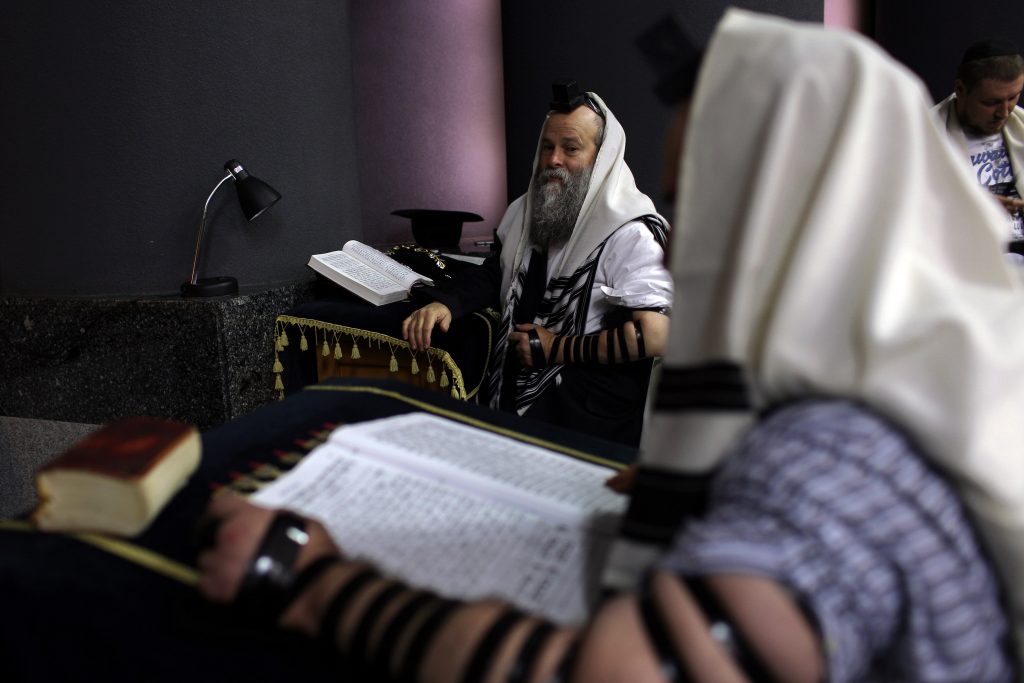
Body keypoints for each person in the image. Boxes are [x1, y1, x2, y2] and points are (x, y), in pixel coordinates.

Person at [197, 10, 1018, 681]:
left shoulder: (834, 463)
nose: (674, 246)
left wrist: (318, 585)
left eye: (705, 209)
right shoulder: (892, 381)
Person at [401, 82, 672, 447]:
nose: (553, 160)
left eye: (570, 148)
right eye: (548, 146)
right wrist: (446, 303)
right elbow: (496, 273)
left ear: (602, 158)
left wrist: (557, 347)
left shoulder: (629, 233)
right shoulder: (524, 212)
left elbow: (656, 335)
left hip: (589, 423)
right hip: (516, 401)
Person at [932, 39, 1024, 240]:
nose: (1004, 112)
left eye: (1013, 97)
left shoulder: (1022, 125)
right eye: (991, 102)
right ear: (961, 89)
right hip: (968, 255)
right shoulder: (926, 135)